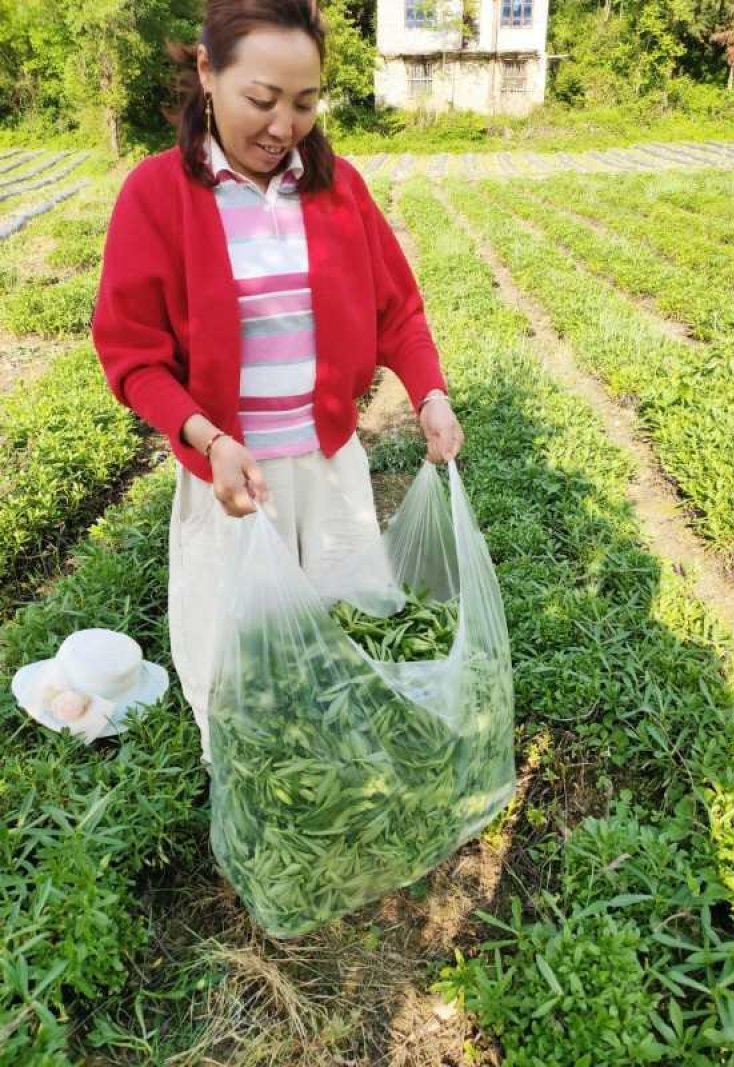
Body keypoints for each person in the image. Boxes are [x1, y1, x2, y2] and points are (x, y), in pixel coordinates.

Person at [91, 0, 463, 765]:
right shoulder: (156, 196)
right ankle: (258, 805)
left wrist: (429, 392)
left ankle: (342, 786)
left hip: (330, 466)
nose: (283, 126)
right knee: (243, 669)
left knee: (349, 644)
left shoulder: (338, 190)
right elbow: (132, 355)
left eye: (303, 103)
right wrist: (206, 437)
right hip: (232, 479)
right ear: (207, 73)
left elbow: (398, 309)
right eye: (261, 100)